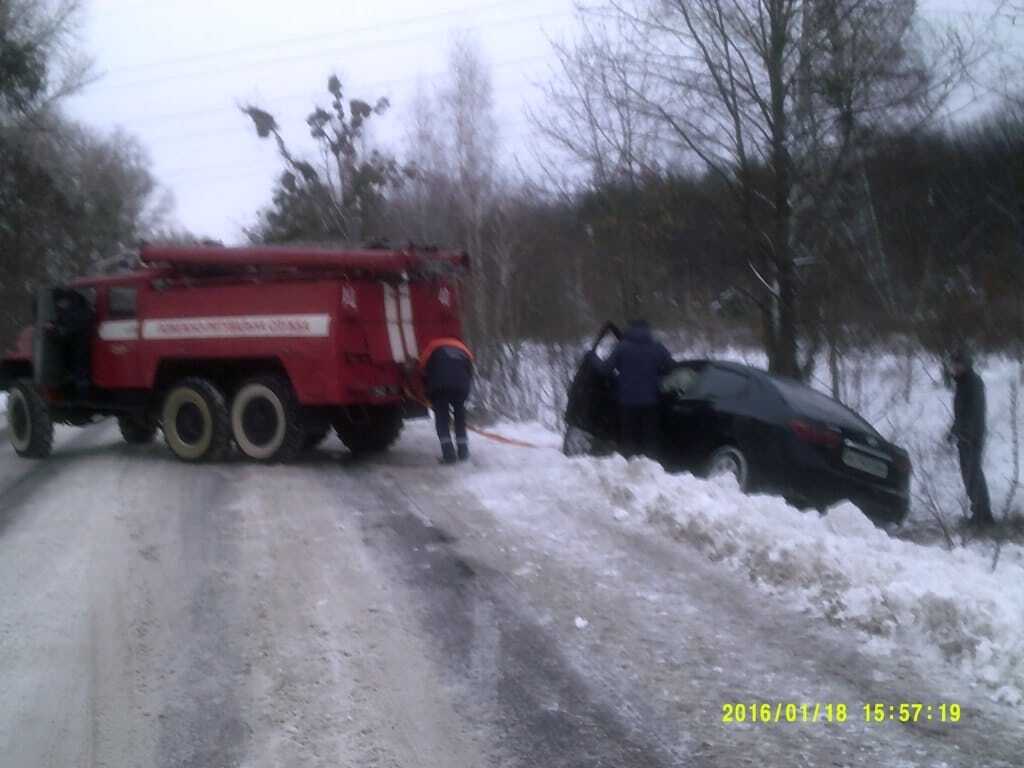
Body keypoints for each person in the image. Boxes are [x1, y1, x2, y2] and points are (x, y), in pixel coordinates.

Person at [602, 319, 673, 459]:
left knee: (628, 438)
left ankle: (629, 467)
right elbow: (671, 368)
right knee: (650, 438)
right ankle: (651, 468)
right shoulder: (658, 347)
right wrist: (658, 374)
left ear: (630, 329)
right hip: (651, 402)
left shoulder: (621, 347)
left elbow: (606, 370)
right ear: (648, 330)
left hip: (627, 402)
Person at [947, 347, 993, 527]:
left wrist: (967, 433)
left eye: (958, 365)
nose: (955, 368)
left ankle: (983, 516)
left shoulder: (973, 382)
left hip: (972, 436)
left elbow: (975, 412)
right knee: (968, 475)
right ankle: (978, 513)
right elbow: (961, 412)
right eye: (954, 365)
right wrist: (954, 431)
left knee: (973, 475)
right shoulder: (962, 382)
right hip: (964, 436)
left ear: (966, 365)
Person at [419, 337, 474, 464]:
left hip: (440, 387)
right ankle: (463, 451)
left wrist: (427, 393)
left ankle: (448, 454)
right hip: (461, 386)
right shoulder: (462, 348)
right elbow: (470, 369)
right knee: (460, 417)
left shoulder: (432, 346)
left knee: (442, 419)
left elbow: (422, 368)